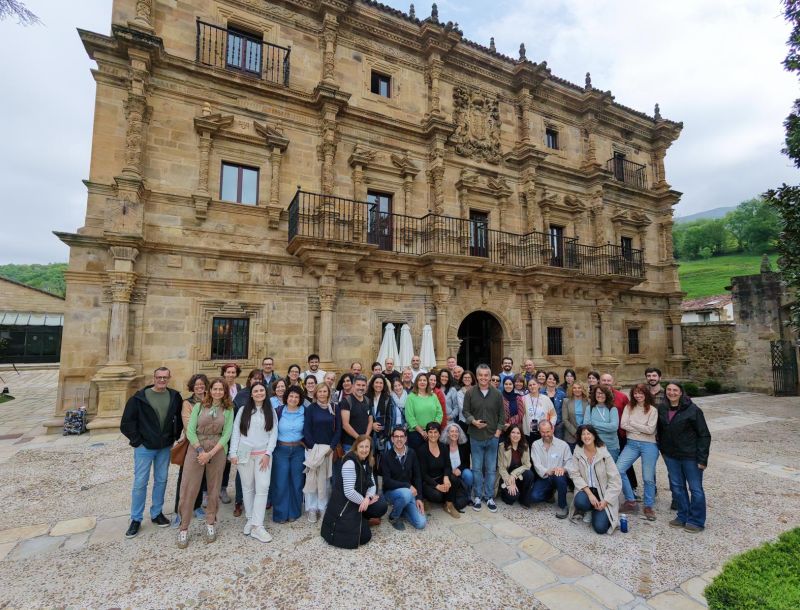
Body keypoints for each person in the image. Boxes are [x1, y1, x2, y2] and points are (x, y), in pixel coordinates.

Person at [121, 367, 183, 538]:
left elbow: (178, 418)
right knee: (140, 482)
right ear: (153, 378)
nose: (162, 380)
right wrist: (137, 441)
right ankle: (136, 518)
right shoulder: (139, 398)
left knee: (161, 480)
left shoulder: (174, 396)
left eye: (165, 377)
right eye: (159, 377)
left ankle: (157, 513)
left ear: (169, 378)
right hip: (144, 448)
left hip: (164, 447)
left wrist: (174, 436)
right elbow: (127, 422)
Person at [176, 377, 234, 548]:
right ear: (210, 390)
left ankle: (210, 522)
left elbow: (227, 434)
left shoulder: (229, 409)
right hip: (197, 448)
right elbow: (190, 430)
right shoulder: (199, 406)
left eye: (221, 389)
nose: (217, 392)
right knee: (189, 488)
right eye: (215, 389)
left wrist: (212, 453)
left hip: (217, 449)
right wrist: (201, 451)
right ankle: (184, 527)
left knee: (214, 488)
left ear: (225, 392)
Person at [658, 382, 711, 533]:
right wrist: (663, 450)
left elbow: (704, 435)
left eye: (675, 390)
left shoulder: (693, 410)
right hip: (671, 456)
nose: (671, 393)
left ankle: (697, 520)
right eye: (669, 389)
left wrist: (702, 459)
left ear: (681, 392)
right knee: (677, 487)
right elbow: (660, 431)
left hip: (690, 456)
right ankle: (682, 515)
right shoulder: (662, 408)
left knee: (695, 489)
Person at [229, 381, 277, 543]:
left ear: (266, 393)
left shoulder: (271, 411)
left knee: (262, 487)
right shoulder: (243, 410)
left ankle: (258, 526)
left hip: (263, 455)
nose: (259, 393)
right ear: (251, 393)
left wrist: (268, 454)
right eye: (256, 391)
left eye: (261, 391)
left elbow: (273, 435)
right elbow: (236, 432)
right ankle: (250, 519)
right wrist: (232, 453)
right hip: (244, 454)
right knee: (247, 487)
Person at [320, 435, 388, 548]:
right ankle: (363, 520)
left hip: (360, 501)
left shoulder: (368, 461)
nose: (364, 449)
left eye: (367, 447)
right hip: (345, 505)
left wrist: (368, 498)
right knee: (365, 537)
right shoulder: (350, 463)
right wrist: (365, 501)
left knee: (381, 505)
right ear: (356, 447)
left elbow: (372, 485)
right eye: (361, 446)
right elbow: (349, 492)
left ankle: (363, 518)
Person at [462, 363, 504, 513]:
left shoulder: (497, 393)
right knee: (477, 469)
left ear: (489, 376)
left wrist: (498, 432)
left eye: (486, 375)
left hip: (493, 436)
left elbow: (502, 415)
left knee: (491, 469)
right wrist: (473, 421)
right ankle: (478, 496)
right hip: (476, 436)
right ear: (477, 376)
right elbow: (465, 411)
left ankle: (489, 496)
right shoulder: (470, 393)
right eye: (481, 375)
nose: (484, 378)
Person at [568, 425, 622, 535]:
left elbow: (615, 481)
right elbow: (574, 473)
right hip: (586, 490)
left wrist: (605, 501)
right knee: (580, 502)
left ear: (594, 436)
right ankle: (589, 509)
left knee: (600, 528)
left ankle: (597, 510)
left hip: (603, 493)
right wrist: (589, 494)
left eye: (589, 433)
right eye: (583, 434)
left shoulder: (604, 454)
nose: (586, 436)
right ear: (580, 437)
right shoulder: (578, 451)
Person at [616, 384, 659, 519]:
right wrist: (641, 428)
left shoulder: (652, 410)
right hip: (632, 444)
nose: (638, 395)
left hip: (649, 445)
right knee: (619, 469)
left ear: (646, 394)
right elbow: (623, 424)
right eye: (635, 393)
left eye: (641, 393)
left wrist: (633, 424)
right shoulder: (629, 407)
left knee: (648, 478)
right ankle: (631, 500)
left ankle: (648, 506)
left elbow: (651, 430)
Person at [172, 374, 209, 527]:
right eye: (196, 385)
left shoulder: (212, 399)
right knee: (186, 479)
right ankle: (179, 511)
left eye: (202, 384)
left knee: (202, 477)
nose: (199, 387)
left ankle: (197, 506)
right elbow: (188, 425)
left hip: (210, 444)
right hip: (193, 444)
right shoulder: (187, 403)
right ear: (192, 387)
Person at [302, 383, 341, 523]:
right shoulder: (311, 408)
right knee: (312, 478)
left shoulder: (335, 408)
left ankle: (322, 507)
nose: (323, 394)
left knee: (324, 481)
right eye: (320, 392)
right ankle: (312, 508)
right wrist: (313, 447)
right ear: (316, 393)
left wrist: (331, 447)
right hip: (313, 450)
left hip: (328, 451)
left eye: (325, 391)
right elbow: (306, 429)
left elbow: (338, 430)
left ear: (329, 393)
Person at [228, 368, 263, 516]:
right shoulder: (241, 395)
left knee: (258, 474)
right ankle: (239, 501)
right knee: (241, 474)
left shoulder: (264, 393)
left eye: (259, 379)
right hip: (244, 442)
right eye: (254, 378)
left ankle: (256, 501)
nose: (257, 381)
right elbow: (235, 420)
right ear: (249, 380)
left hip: (259, 444)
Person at [271, 385, 306, 523]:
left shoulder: (305, 411)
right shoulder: (278, 411)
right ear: (286, 397)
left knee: (297, 482)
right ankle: (280, 513)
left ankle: (294, 512)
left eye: (296, 397)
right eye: (291, 396)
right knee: (280, 482)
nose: (293, 399)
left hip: (299, 450)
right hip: (281, 450)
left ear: (300, 399)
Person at [382, 427, 427, 531]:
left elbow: (417, 476)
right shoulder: (386, 456)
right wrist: (408, 486)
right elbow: (387, 481)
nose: (399, 439)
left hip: (409, 493)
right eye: (396, 436)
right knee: (406, 493)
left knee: (421, 524)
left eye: (402, 436)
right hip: (391, 492)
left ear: (406, 439)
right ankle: (394, 516)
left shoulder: (412, 453)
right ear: (392, 439)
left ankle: (402, 508)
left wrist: (419, 498)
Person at [417, 422, 464, 517]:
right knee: (437, 495)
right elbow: (423, 474)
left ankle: (449, 504)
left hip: (441, 477)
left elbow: (447, 465)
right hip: (428, 481)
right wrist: (437, 486)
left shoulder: (443, 447)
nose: (433, 435)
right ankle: (426, 498)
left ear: (439, 434)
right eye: (430, 432)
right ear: (427, 433)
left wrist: (446, 477)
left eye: (435, 432)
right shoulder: (422, 450)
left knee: (454, 479)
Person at [601, 372, 637, 493]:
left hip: (619, 433)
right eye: (604, 380)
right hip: (602, 435)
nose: (606, 383)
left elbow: (630, 414)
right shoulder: (597, 396)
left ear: (613, 382)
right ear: (600, 382)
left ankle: (632, 487)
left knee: (624, 461)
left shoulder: (622, 397)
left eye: (608, 380)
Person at [530, 420, 572, 518]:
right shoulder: (535, 445)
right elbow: (537, 464)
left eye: (548, 431)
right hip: (545, 476)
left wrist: (563, 469)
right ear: (539, 431)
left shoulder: (563, 445)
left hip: (559, 476)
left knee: (560, 478)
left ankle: (563, 505)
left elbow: (570, 463)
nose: (545, 434)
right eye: (543, 432)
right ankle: (549, 494)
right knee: (534, 497)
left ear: (553, 430)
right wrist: (547, 471)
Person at [496, 424, 534, 507]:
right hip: (506, 477)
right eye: (513, 432)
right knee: (511, 498)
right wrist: (509, 482)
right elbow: (501, 467)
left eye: (518, 433)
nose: (515, 435)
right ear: (509, 434)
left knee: (529, 474)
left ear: (521, 435)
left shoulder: (525, 446)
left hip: (518, 476)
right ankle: (505, 492)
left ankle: (524, 499)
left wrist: (514, 475)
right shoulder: (502, 446)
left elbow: (527, 465)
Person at [404, 373, 443, 449]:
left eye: (424, 380)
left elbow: (439, 413)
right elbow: (409, 417)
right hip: (416, 434)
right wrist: (422, 432)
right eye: (420, 380)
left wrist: (433, 429)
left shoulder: (433, 396)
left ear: (427, 382)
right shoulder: (411, 397)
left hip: (432, 434)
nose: (422, 382)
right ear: (416, 383)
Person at [585, 385, 620, 460]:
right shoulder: (589, 408)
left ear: (607, 395)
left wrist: (593, 423)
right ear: (595, 394)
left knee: (611, 470)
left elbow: (614, 427)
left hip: (611, 446)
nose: (600, 395)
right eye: (598, 393)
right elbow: (587, 427)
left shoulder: (612, 409)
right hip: (594, 445)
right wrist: (607, 427)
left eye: (603, 393)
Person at [340, 374, 372, 452]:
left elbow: (370, 421)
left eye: (363, 385)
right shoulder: (346, 401)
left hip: (365, 443)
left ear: (366, 387)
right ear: (353, 386)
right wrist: (359, 438)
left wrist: (366, 437)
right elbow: (345, 425)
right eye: (358, 385)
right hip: (350, 444)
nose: (361, 388)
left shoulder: (368, 401)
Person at [443, 422, 473, 502]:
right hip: (448, 473)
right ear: (448, 434)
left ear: (459, 434)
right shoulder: (444, 447)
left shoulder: (464, 446)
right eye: (452, 431)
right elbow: (442, 463)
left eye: (456, 431)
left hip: (460, 472)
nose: (454, 433)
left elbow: (466, 463)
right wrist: (450, 471)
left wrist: (459, 469)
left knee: (468, 474)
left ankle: (468, 495)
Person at [521, 378, 556, 445]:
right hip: (528, 432)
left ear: (538, 385)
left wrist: (549, 426)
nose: (532, 386)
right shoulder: (523, 399)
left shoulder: (546, 399)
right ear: (528, 387)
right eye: (530, 385)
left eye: (534, 384)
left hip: (543, 432)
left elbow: (553, 415)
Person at [366, 374, 393, 455]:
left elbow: (390, 418)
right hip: (368, 433)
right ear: (372, 384)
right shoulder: (366, 397)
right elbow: (364, 416)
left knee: (382, 458)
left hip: (382, 434)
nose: (378, 385)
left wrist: (386, 435)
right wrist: (372, 425)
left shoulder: (387, 398)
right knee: (369, 457)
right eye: (376, 382)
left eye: (381, 383)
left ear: (384, 385)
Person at [562, 381, 587, 451]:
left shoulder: (588, 402)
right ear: (571, 390)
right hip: (570, 436)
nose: (577, 390)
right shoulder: (566, 401)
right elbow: (565, 419)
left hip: (585, 435)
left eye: (579, 388)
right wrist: (575, 433)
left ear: (583, 389)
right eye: (574, 388)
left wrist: (583, 433)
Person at [542, 372, 566, 439]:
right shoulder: (540, 393)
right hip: (544, 426)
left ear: (557, 382)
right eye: (549, 379)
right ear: (546, 380)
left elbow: (564, 410)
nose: (551, 381)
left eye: (554, 379)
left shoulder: (562, 394)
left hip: (558, 426)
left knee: (558, 446)